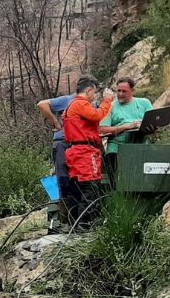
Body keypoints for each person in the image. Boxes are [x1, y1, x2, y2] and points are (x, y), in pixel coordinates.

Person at [61, 76, 115, 228]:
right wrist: (108, 100)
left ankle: (75, 224)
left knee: (78, 191)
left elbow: (85, 126)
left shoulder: (71, 106)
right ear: (89, 90)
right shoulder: (80, 104)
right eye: (94, 93)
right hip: (84, 152)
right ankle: (84, 226)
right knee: (90, 189)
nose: (94, 97)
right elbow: (96, 115)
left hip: (76, 151)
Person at [100, 76, 152, 184]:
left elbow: (154, 121)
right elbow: (102, 129)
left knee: (140, 181)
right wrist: (125, 127)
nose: (120, 94)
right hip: (116, 149)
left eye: (124, 91)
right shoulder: (110, 106)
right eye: (118, 91)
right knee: (117, 182)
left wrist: (149, 128)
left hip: (140, 147)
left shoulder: (144, 103)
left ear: (132, 91)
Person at [36, 91, 77, 229]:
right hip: (62, 142)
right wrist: (55, 122)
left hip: (78, 144)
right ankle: (63, 221)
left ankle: (75, 219)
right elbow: (42, 104)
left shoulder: (91, 104)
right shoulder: (67, 100)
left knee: (78, 181)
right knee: (63, 179)